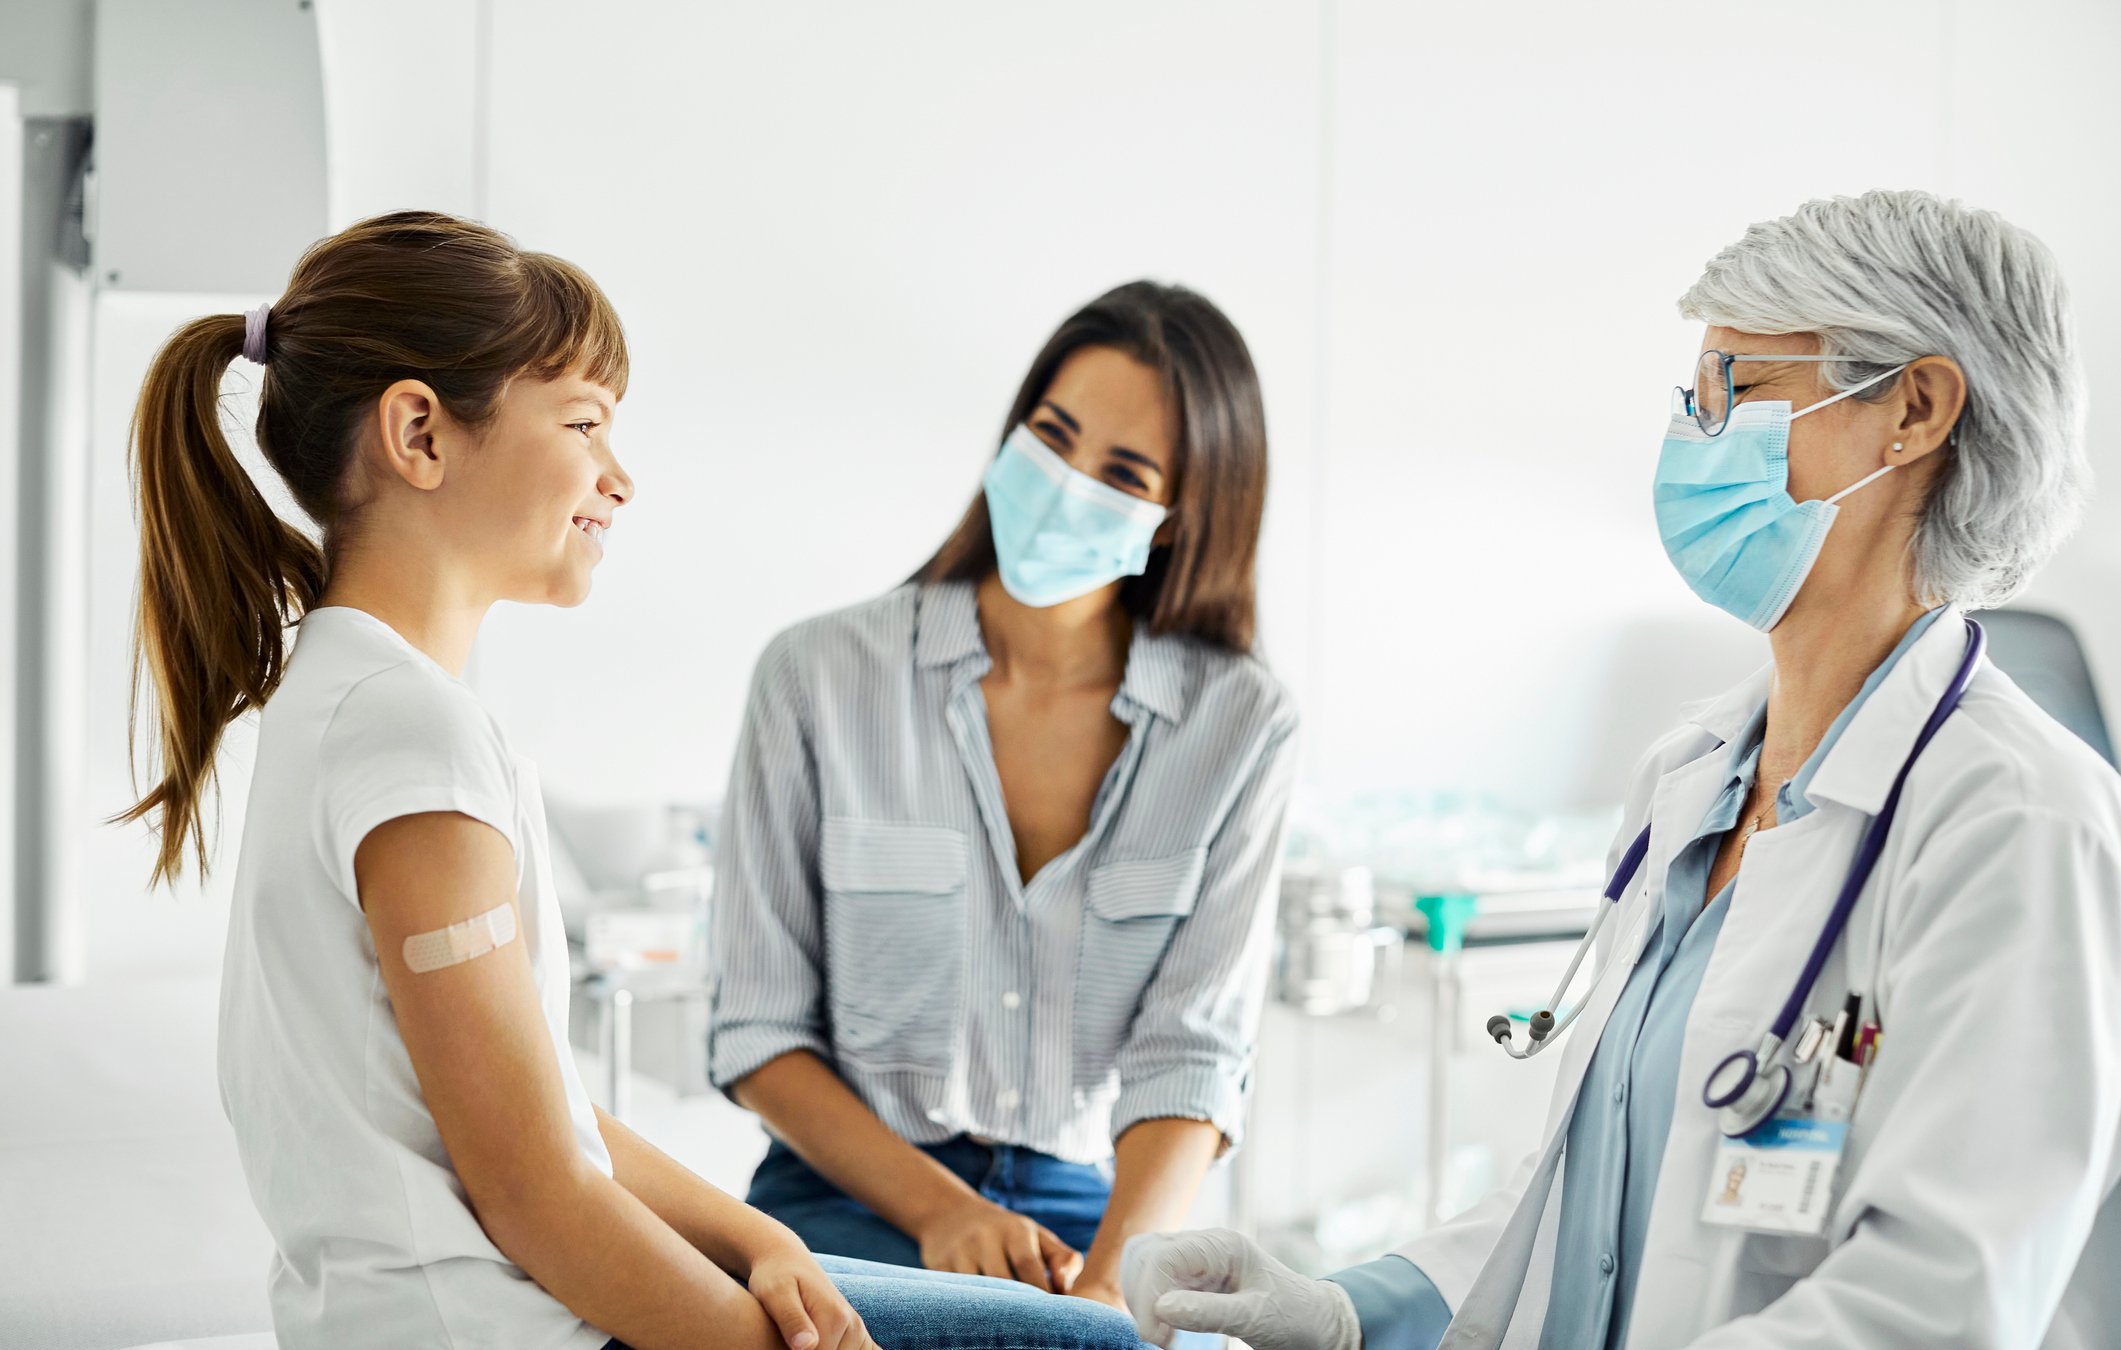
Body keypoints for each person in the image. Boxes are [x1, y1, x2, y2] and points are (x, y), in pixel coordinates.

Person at [123, 212, 1148, 1350]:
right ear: (419, 432)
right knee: (1084, 1345)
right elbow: (535, 1196)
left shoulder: (353, 703)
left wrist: (765, 1242)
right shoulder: (410, 739)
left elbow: (541, 1119)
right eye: (584, 423)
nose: (619, 477)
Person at [1122, 191, 2121, 1349]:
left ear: (1916, 409)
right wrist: (1346, 1309)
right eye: (1690, 402)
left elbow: (1937, 1304)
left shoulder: (2022, 819)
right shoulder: (1689, 777)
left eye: (1739, 391)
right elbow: (1576, 1204)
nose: (1697, 442)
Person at [710, 281, 1299, 1315]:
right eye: (1052, 436)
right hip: (845, 1195)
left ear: (1176, 520)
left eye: (1122, 472)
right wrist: (942, 1212)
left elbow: (1192, 1053)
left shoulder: (1241, 723)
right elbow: (758, 1029)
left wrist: (1115, 1285)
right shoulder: (816, 676)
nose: (1068, 485)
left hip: (1099, 1212)